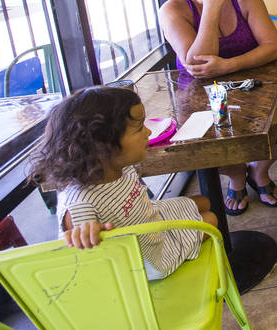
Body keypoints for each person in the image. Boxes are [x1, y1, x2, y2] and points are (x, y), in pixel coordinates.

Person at [159, 0, 277, 215]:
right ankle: (236, 177)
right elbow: (198, 63)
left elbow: (272, 47)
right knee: (205, 145)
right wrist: (211, 10)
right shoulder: (173, 10)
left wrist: (227, 65)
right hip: (199, 95)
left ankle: (258, 172)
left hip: (253, 88)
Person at [28, 87, 217, 279]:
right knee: (210, 220)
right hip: (150, 256)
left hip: (147, 217)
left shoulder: (116, 166)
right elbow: (82, 258)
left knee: (204, 201)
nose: (149, 132)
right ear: (103, 145)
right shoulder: (80, 206)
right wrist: (88, 235)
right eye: (139, 129)